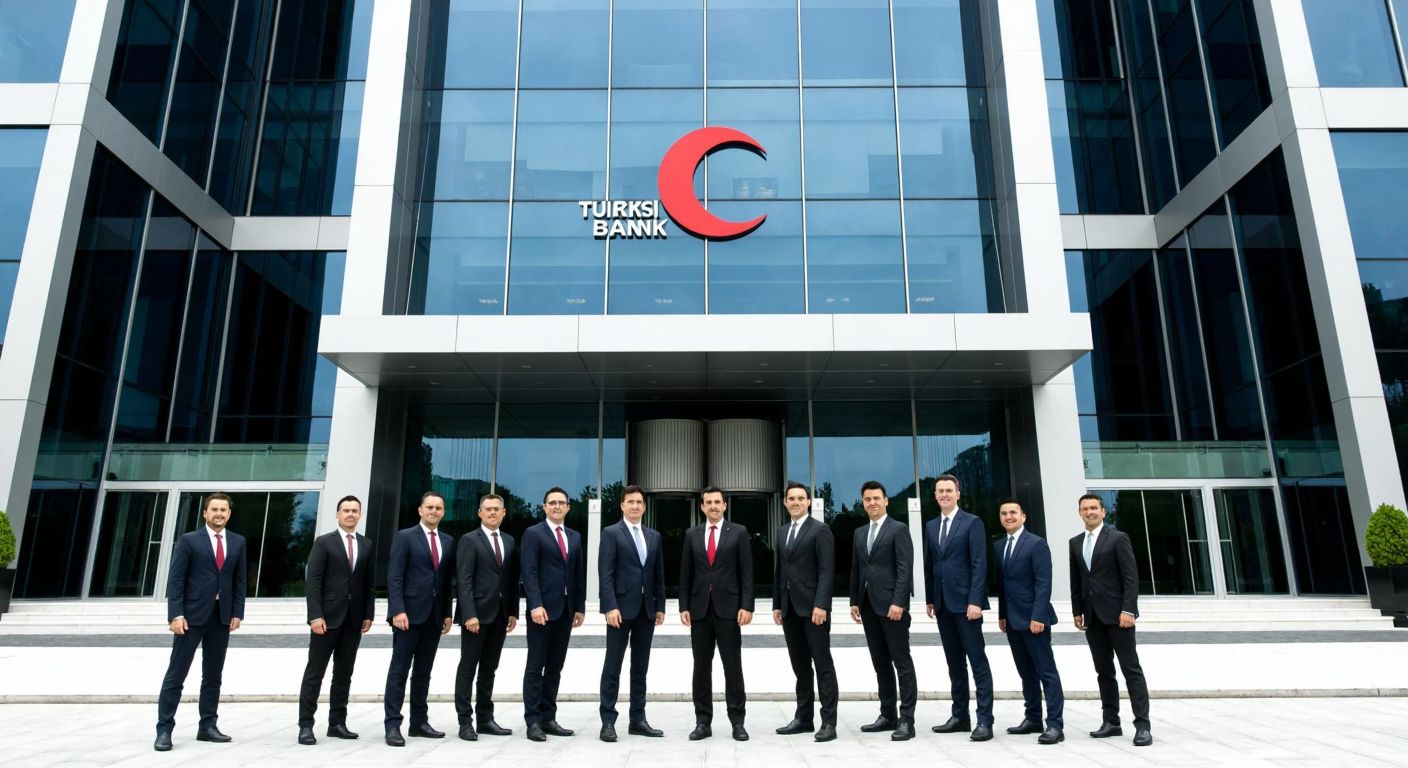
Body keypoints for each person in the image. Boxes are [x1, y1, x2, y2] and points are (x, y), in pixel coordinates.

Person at [154, 492, 246, 752]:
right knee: (176, 675)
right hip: (191, 617)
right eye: (214, 509)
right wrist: (175, 614)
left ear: (229, 513)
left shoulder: (238, 542)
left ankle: (207, 726)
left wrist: (237, 612)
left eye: (223, 510)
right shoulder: (189, 540)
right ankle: (164, 729)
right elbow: (176, 579)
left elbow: (239, 581)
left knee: (213, 676)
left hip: (221, 617)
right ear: (205, 513)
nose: (219, 514)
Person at [1070, 493, 1152, 747]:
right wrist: (1076, 611)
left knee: (1131, 670)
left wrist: (1129, 610)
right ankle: (1111, 722)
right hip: (1092, 617)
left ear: (1103, 512)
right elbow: (1077, 580)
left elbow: (1130, 577)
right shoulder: (1075, 542)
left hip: (1119, 616)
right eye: (1085, 509)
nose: (1090, 512)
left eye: (1094, 508)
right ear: (1080, 513)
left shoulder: (1117, 538)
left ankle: (1142, 725)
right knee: (1103, 671)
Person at [297, 495, 376, 745]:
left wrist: (368, 614)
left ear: (360, 515)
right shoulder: (324, 543)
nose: (350, 514)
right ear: (338, 514)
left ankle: (337, 723)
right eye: (346, 510)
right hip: (326, 619)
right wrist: (315, 615)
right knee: (315, 673)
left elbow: (369, 583)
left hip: (353, 620)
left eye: (355, 511)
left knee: (344, 674)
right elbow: (314, 582)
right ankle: (306, 725)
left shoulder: (367, 544)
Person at [923, 474, 995, 741]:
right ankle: (960, 716)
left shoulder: (972, 523)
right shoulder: (931, 526)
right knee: (954, 663)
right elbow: (931, 564)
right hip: (942, 605)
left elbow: (979, 564)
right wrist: (931, 597)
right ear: (935, 495)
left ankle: (985, 720)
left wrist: (975, 600)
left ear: (958, 494)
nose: (944, 495)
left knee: (977, 662)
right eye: (940, 491)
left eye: (949, 490)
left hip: (967, 605)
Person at [679, 486, 754, 742]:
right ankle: (702, 721)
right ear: (702, 507)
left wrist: (747, 605)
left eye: (717, 502)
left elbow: (747, 573)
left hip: (730, 611)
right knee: (701, 668)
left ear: (725, 506)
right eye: (708, 502)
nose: (713, 506)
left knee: (732, 667)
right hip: (699, 611)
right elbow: (685, 574)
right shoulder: (692, 534)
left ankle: (737, 721)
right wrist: (683, 606)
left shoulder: (739, 533)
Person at [383, 491, 455, 746]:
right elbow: (394, 576)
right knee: (399, 671)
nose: (434, 511)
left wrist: (447, 612)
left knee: (423, 672)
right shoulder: (405, 537)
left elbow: (446, 581)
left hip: (434, 617)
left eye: (438, 508)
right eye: (430, 507)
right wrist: (397, 610)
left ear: (443, 512)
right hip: (408, 615)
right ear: (420, 510)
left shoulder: (447, 540)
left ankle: (419, 722)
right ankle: (393, 725)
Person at [849, 480, 917, 742]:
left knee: (902, 663)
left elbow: (904, 568)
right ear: (863, 503)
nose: (872, 503)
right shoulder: (859, 533)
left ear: (886, 500)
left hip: (892, 607)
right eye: (867, 499)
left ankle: (907, 720)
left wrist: (899, 602)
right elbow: (857, 569)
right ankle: (887, 714)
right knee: (880, 663)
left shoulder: (898, 529)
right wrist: (854, 601)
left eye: (876, 498)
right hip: (868, 606)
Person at [597, 485, 666, 741]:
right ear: (622, 506)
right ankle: (608, 721)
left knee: (640, 667)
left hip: (646, 611)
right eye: (630, 502)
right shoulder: (611, 533)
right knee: (612, 666)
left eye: (639, 502)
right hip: (620, 611)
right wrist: (610, 606)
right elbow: (605, 574)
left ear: (644, 506)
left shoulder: (654, 536)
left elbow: (658, 574)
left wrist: (660, 606)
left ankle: (638, 719)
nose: (635, 506)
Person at [993, 499, 1064, 745]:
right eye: (1004, 513)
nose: (1008, 516)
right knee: (1026, 673)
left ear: (1023, 516)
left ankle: (1055, 724)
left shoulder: (1037, 544)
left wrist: (1038, 616)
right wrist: (1002, 614)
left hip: (1034, 620)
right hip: (1012, 620)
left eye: (1013, 512)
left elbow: (1044, 583)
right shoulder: (999, 546)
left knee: (1046, 672)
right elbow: (1003, 585)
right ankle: (1033, 717)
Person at [772, 481, 838, 743]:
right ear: (785, 502)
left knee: (823, 666)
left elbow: (826, 570)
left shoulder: (820, 530)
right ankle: (804, 718)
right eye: (792, 498)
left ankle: (829, 722)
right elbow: (780, 571)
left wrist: (821, 604)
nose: (796, 502)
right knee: (800, 667)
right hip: (789, 609)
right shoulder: (781, 531)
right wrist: (777, 604)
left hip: (813, 610)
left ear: (808, 502)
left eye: (801, 498)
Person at [520, 486, 587, 741]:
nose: (557, 506)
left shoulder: (575, 536)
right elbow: (529, 571)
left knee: (555, 667)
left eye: (562, 503)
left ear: (568, 507)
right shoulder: (533, 534)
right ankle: (533, 721)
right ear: (544, 507)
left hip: (566, 612)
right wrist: (535, 604)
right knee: (536, 667)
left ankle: (549, 717)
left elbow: (578, 575)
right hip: (542, 611)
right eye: (552, 503)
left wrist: (579, 606)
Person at [454, 493, 519, 741]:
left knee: (489, 669)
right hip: (476, 617)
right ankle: (465, 722)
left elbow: (512, 580)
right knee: (468, 668)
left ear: (504, 513)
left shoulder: (510, 541)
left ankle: (485, 719)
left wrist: (512, 610)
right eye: (488, 509)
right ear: (479, 513)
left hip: (500, 616)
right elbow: (464, 579)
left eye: (497, 509)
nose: (492, 513)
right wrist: (469, 614)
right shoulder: (469, 540)